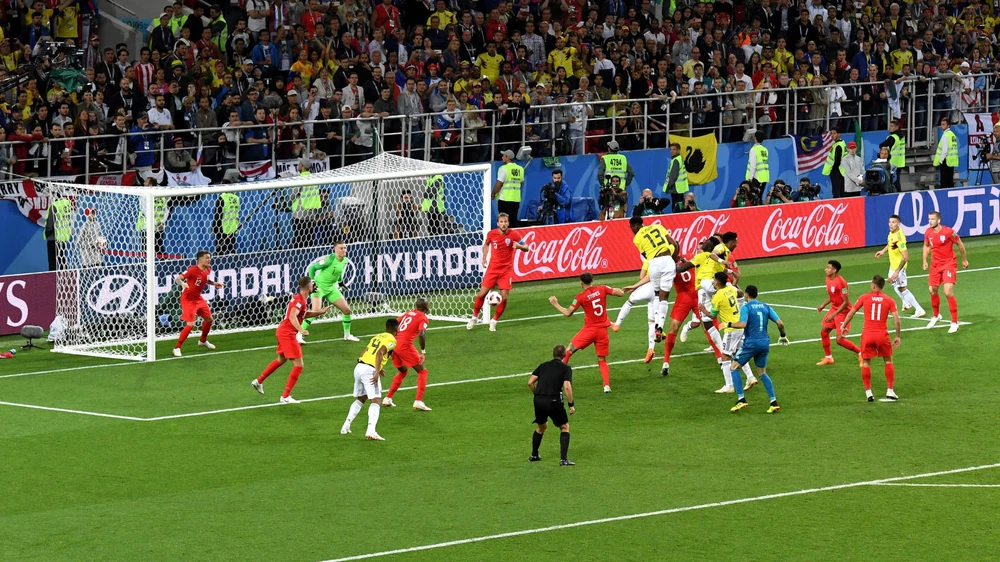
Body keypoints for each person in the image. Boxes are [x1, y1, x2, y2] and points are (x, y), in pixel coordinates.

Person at [251, 276, 332, 403]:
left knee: (281, 359)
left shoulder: (299, 299)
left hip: (283, 331)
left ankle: (258, 381)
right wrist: (301, 330)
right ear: (308, 286)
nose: (314, 286)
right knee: (299, 365)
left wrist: (319, 312)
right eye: (312, 284)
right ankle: (285, 396)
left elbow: (302, 314)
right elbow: (293, 316)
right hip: (287, 333)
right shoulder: (299, 300)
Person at [548, 272, 625, 393]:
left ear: (581, 282)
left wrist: (555, 304)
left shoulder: (580, 297)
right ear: (592, 280)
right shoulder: (602, 288)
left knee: (568, 351)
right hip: (602, 331)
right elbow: (620, 293)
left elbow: (568, 313)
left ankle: (557, 379)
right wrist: (623, 290)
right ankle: (606, 386)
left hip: (589, 330)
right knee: (602, 359)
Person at [729, 285, 790, 413]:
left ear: (746, 294)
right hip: (764, 343)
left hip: (751, 343)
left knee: (734, 368)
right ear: (757, 294)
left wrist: (728, 324)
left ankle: (741, 399)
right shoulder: (766, 306)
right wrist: (783, 335)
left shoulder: (746, 307)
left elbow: (742, 324)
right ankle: (773, 402)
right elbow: (780, 323)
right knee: (762, 373)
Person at [840, 275, 901, 402]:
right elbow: (897, 320)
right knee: (888, 361)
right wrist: (897, 336)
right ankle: (890, 390)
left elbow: (851, 313)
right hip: (882, 335)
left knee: (866, 362)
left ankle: (868, 393)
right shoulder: (889, 300)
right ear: (882, 286)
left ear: (873, 285)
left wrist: (844, 326)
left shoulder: (864, 297)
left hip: (867, 334)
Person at [468, 213, 530, 332]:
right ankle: (474, 317)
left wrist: (519, 246)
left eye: (505, 221)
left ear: (508, 223)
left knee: (504, 298)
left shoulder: (514, 235)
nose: (503, 224)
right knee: (482, 294)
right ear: (498, 223)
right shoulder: (491, 234)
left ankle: (494, 321)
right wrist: (484, 258)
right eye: (501, 222)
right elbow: (486, 244)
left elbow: (526, 247)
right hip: (493, 269)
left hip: (506, 270)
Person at [341, 318, 399, 440]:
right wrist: (376, 370)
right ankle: (371, 431)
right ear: (396, 329)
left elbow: (365, 352)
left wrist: (378, 366)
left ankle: (346, 426)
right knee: (376, 400)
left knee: (362, 398)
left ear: (385, 328)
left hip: (359, 367)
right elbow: (380, 352)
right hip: (369, 370)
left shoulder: (377, 337)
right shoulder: (392, 339)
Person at [628, 215, 679, 342]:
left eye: (631, 228)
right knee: (664, 297)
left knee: (656, 294)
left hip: (654, 263)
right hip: (667, 260)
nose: (632, 230)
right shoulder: (658, 227)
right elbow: (674, 243)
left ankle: (656, 325)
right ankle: (660, 327)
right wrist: (673, 260)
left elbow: (646, 256)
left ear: (635, 226)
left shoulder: (637, 238)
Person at [528, 344, 576, 466]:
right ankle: (563, 460)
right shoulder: (565, 368)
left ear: (553, 354)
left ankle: (534, 455)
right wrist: (571, 404)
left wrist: (537, 395)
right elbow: (567, 387)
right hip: (553, 401)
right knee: (564, 427)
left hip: (538, 400)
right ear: (564, 355)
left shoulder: (543, 365)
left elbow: (530, 382)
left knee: (541, 426)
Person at [384, 298, 433, 411]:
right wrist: (423, 352)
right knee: (422, 371)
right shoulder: (423, 318)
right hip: (404, 346)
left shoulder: (408, 313)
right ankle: (418, 401)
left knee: (403, 371)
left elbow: (395, 323)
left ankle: (388, 398)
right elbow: (421, 334)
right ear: (426, 307)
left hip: (394, 344)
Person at [302, 241, 358, 342]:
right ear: (335, 250)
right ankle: (298, 334)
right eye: (341, 248)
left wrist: (340, 283)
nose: (344, 250)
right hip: (319, 287)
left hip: (331, 288)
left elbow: (339, 272)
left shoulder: (344, 260)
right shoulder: (329, 259)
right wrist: (313, 283)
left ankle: (347, 335)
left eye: (345, 248)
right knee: (315, 312)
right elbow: (312, 268)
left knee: (347, 310)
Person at [923, 211, 969, 333]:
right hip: (935, 265)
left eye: (932, 219)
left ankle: (954, 322)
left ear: (938, 220)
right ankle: (936, 316)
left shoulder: (949, 232)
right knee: (932, 290)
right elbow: (926, 246)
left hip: (949, 264)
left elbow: (959, 244)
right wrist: (925, 260)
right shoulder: (928, 232)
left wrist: (964, 259)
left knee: (948, 292)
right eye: (929, 219)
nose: (930, 221)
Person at [702, 272, 746, 397]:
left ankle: (729, 386)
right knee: (737, 353)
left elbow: (712, 315)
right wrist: (735, 283)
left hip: (731, 329)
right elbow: (741, 293)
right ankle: (750, 377)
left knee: (725, 356)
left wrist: (702, 309)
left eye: (714, 279)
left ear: (716, 281)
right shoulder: (731, 288)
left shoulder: (718, 296)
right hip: (739, 325)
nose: (713, 281)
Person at [173, 251, 224, 357]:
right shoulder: (192, 270)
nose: (209, 260)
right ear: (200, 259)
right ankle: (177, 348)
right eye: (207, 258)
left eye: (209, 258)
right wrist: (182, 283)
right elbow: (177, 279)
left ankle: (202, 341)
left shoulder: (207, 269)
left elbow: (204, 279)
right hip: (188, 299)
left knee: (209, 319)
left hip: (198, 298)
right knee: (190, 325)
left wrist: (214, 284)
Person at [875, 215, 926, 318]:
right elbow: (890, 244)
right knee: (891, 281)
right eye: (890, 222)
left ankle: (919, 309)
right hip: (893, 264)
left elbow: (905, 256)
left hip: (899, 266)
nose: (890, 224)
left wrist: (897, 271)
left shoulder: (899, 238)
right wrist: (883, 251)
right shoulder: (892, 233)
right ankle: (906, 303)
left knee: (902, 288)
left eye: (893, 222)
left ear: (898, 224)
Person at [815, 260, 863, 365]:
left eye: (828, 268)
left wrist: (833, 315)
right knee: (824, 332)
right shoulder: (828, 279)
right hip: (834, 309)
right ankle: (829, 358)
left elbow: (845, 302)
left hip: (844, 312)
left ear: (834, 270)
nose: (825, 270)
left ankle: (861, 353)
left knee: (840, 340)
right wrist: (823, 305)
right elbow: (833, 296)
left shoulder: (841, 282)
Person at [492, 149, 524, 227]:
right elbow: (521, 183)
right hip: (516, 199)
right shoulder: (520, 169)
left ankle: (506, 235)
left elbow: (499, 184)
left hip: (505, 199)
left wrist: (493, 194)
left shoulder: (504, 168)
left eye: (503, 156)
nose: (502, 157)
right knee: (514, 221)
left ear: (507, 157)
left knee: (504, 222)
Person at [879, 119, 906, 192]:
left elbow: (882, 145)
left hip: (892, 163)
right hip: (900, 162)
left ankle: (897, 194)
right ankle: (898, 193)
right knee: (896, 180)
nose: (890, 127)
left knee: (893, 181)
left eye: (892, 126)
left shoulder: (892, 137)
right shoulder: (902, 136)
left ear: (897, 127)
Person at [213, 190, 241, 256]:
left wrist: (215, 229)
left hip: (222, 228)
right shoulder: (236, 198)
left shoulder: (222, 198)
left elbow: (218, 215)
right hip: (233, 227)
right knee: (231, 251)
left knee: (220, 253)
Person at [933, 117, 958, 189]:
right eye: (941, 124)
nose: (942, 126)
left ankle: (943, 195)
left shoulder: (946, 135)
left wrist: (941, 160)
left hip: (945, 161)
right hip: (951, 161)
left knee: (944, 182)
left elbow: (944, 150)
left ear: (948, 125)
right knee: (950, 181)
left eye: (944, 124)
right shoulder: (952, 135)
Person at [821, 129, 847, 198]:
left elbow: (838, 160)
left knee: (836, 192)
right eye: (831, 133)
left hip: (837, 171)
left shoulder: (838, 146)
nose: (832, 135)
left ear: (839, 134)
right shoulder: (842, 142)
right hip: (841, 171)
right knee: (841, 191)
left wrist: (833, 170)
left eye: (834, 133)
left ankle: (838, 204)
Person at [663, 142, 689, 210]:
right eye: (670, 149)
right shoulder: (679, 159)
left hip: (676, 187)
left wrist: (669, 186)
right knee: (680, 205)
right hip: (679, 187)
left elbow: (673, 176)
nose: (671, 151)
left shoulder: (676, 160)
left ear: (678, 150)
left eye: (674, 149)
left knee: (676, 206)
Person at [746, 130, 770, 196]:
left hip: (756, 178)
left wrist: (750, 178)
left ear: (755, 138)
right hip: (764, 177)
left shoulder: (754, 150)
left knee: (753, 197)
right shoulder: (765, 149)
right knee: (759, 197)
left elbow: (753, 165)